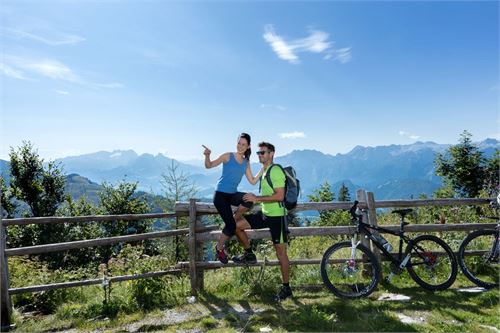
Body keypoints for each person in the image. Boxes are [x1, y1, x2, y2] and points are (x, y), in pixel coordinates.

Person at [234, 141, 292, 301]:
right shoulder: (265, 170)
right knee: (236, 226)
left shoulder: (276, 171)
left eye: (263, 153)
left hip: (278, 217)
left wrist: (256, 198)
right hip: (265, 214)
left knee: (281, 253)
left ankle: (286, 288)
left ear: (271, 154)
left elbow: (280, 196)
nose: (260, 155)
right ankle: (249, 253)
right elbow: (253, 181)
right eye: (258, 153)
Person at [203, 133, 263, 264]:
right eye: (239, 143)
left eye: (243, 144)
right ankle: (219, 248)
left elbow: (252, 181)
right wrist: (207, 155)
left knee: (249, 199)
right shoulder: (227, 156)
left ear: (248, 146)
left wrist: (263, 169)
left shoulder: (246, 162)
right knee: (231, 226)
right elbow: (209, 165)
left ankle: (235, 217)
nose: (240, 146)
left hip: (232, 194)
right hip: (220, 196)